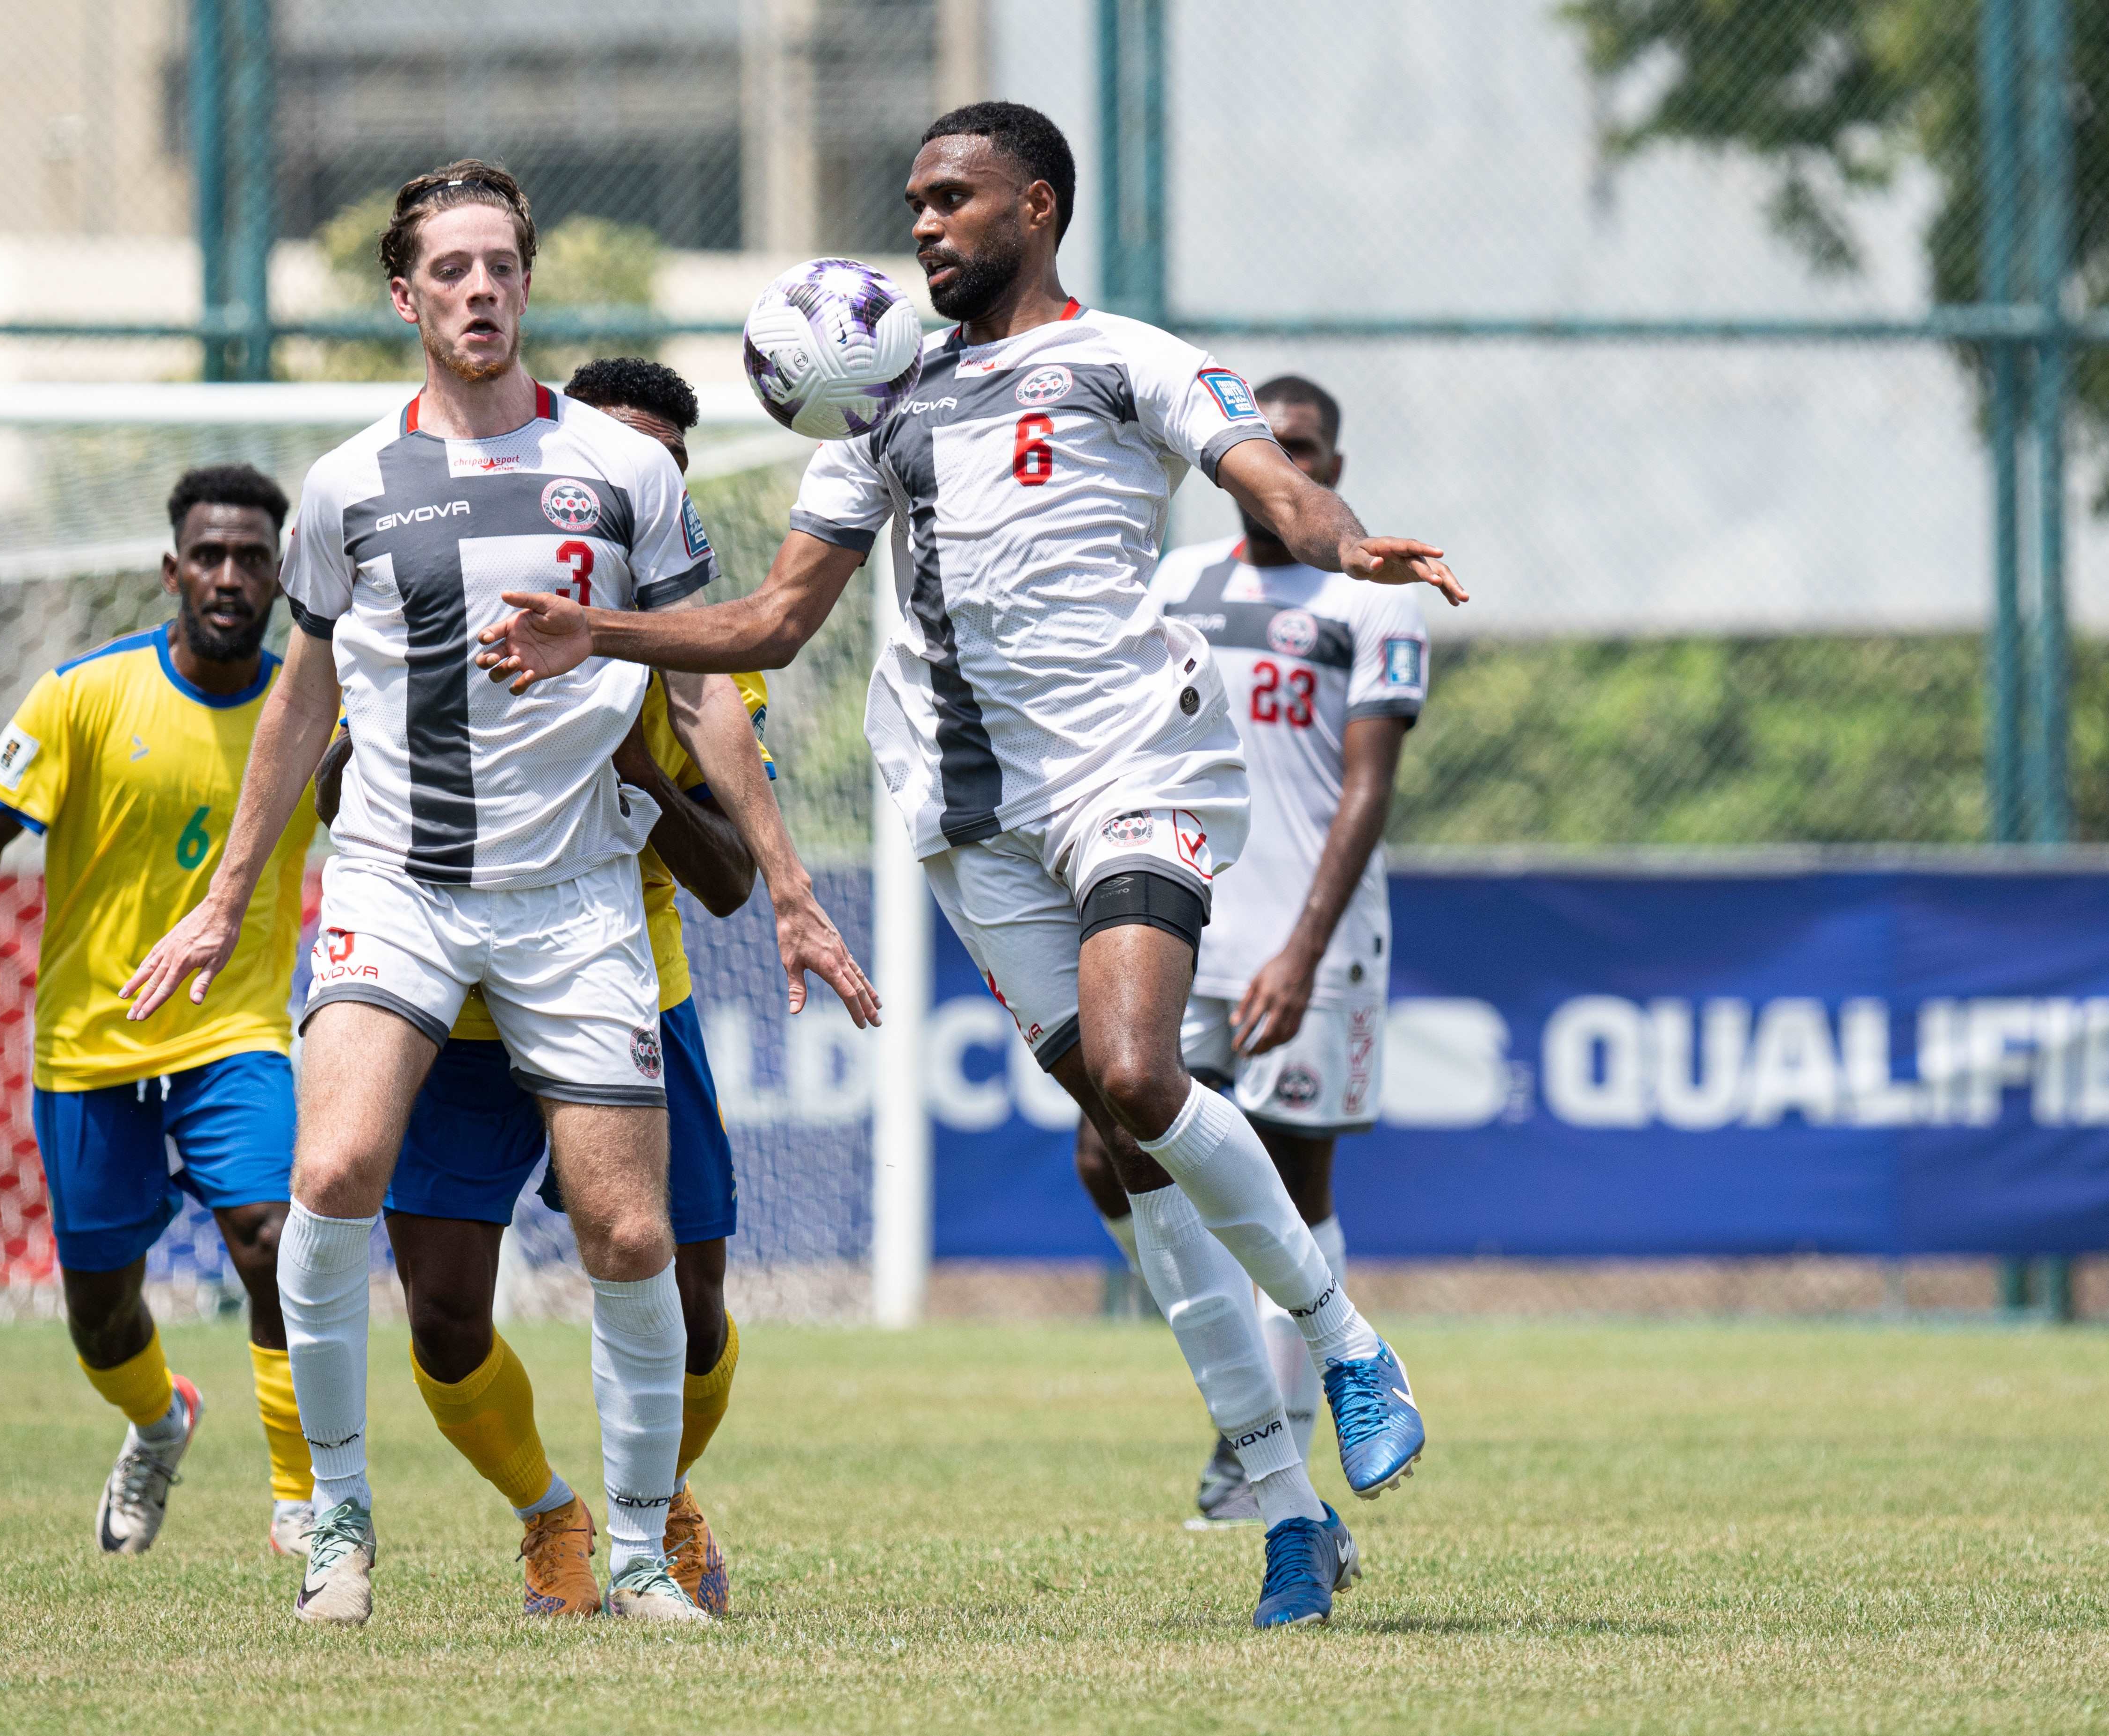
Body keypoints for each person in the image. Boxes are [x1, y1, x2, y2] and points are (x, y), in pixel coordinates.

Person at [476, 103, 1462, 1629]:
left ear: (1036, 205)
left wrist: (1346, 542)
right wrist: (593, 627)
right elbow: (770, 625)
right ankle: (1283, 1512)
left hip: (1129, 767)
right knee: (1118, 1151)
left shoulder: (1126, 356)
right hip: (963, 816)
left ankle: (1343, 1343)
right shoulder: (883, 408)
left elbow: (1267, 481)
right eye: (914, 199)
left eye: (953, 198)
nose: (924, 224)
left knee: (1136, 1078)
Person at [122, 162, 874, 1629]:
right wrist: (225, 902)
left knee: (633, 1242)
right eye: (449, 270)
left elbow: (707, 684)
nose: (478, 290)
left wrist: (789, 886)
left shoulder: (626, 470)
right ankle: (338, 1521)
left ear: (527, 285)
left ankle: (645, 1548)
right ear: (405, 297)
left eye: (500, 267)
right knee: (330, 1171)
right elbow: (302, 704)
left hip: (577, 896)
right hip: (398, 884)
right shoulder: (345, 486)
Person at [315, 357, 784, 1620]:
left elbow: (734, 878)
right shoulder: (451, 607)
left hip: (626, 984)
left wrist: (632, 757)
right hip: (448, 1009)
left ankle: (658, 1499)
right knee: (447, 1317)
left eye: (663, 474)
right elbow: (333, 788)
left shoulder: (695, 665)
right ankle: (549, 1521)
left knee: (682, 1297)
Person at [0, 464, 319, 1560]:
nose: (230, 576)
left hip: (237, 1032)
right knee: (100, 1314)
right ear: (171, 569)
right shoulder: (81, 693)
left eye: (253, 559)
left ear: (280, 577)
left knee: (273, 1240)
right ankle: (158, 1420)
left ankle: (303, 1498)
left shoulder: (309, 712)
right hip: (91, 1044)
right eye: (210, 556)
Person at [1076, 376, 1428, 1527]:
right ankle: (1249, 1401)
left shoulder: (1371, 596)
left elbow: (1365, 791)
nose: (1290, 467)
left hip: (1309, 947)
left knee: (1290, 1181)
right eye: (1267, 447)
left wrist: (1302, 949)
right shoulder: (1177, 586)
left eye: (1309, 451)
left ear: (1333, 465)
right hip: (1184, 922)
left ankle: (1260, 1452)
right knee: (1102, 1150)